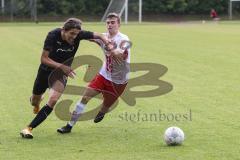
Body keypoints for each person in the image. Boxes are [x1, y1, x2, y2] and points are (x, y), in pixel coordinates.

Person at [20, 18, 111, 139]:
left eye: (76, 34)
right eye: (71, 33)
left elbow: (99, 35)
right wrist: (62, 66)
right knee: (34, 102)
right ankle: (36, 101)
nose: (74, 37)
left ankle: (28, 128)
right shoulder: (53, 35)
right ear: (63, 30)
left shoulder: (78, 34)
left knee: (53, 100)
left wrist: (107, 42)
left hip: (60, 74)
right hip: (45, 71)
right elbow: (44, 59)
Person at [57, 12, 131, 134]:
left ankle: (102, 111)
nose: (110, 25)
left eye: (113, 22)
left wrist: (109, 46)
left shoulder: (124, 39)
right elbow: (87, 36)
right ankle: (69, 126)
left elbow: (119, 53)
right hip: (103, 75)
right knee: (85, 97)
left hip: (118, 81)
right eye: (108, 22)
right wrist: (66, 30)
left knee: (105, 107)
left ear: (119, 24)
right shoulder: (103, 37)